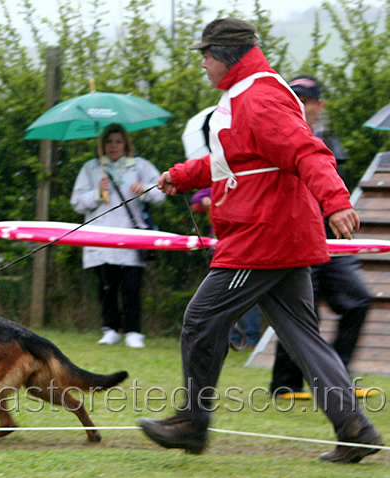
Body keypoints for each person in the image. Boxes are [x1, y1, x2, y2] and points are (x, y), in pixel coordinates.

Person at [139, 18, 383, 463]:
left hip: (262, 235)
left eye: (206, 56)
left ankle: (192, 422)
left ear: (225, 56)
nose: (203, 65)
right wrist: (180, 174)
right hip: (278, 232)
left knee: (200, 319)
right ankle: (355, 428)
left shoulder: (259, 96)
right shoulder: (245, 95)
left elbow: (306, 150)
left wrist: (336, 200)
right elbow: (236, 160)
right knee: (303, 338)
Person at [269, 75, 376, 399]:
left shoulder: (329, 141)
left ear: (319, 105)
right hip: (295, 238)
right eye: (294, 98)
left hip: (332, 240)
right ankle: (285, 385)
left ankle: (337, 381)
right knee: (303, 311)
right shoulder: (276, 135)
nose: (299, 105)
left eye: (305, 100)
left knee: (359, 300)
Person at [70, 123, 165, 349]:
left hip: (131, 235)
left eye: (118, 141)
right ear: (102, 145)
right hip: (100, 236)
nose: (114, 146)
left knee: (131, 285)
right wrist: (97, 192)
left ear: (126, 144)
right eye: (109, 142)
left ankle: (134, 331)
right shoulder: (91, 168)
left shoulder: (139, 166)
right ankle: (110, 329)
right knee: (106, 286)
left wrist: (145, 190)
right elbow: (76, 202)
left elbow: (160, 194)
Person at [190, 187, 262, 349]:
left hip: (246, 252)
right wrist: (204, 200)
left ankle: (251, 339)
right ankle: (231, 338)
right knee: (222, 298)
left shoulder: (249, 188)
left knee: (247, 298)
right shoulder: (219, 185)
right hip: (221, 253)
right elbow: (196, 200)